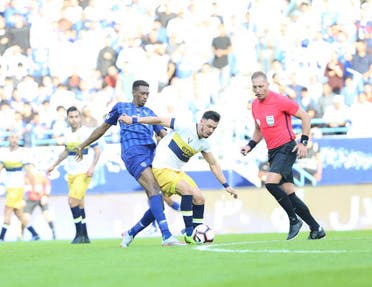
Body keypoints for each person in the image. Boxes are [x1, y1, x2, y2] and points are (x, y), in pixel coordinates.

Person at [74, 80, 184, 247]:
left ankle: (130, 233)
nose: (145, 97)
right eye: (142, 93)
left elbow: (162, 133)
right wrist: (83, 144)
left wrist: (172, 138)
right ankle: (167, 236)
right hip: (133, 152)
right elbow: (102, 129)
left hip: (152, 153)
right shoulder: (121, 107)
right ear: (134, 93)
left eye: (147, 94)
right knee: (154, 189)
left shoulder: (149, 112)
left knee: (157, 201)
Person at [119, 110, 238, 245]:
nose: (211, 131)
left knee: (199, 199)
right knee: (186, 190)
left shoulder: (204, 143)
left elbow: (213, 164)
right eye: (209, 126)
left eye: (214, 128)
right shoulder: (185, 126)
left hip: (176, 172)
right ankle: (189, 234)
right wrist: (133, 120)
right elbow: (159, 120)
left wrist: (226, 186)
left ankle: (130, 233)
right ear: (202, 122)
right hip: (161, 168)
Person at [240, 71, 325, 240]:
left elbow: (305, 117)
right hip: (273, 152)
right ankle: (316, 228)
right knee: (290, 194)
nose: (258, 90)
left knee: (270, 183)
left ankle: (294, 220)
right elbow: (259, 129)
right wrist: (250, 145)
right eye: (255, 87)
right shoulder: (255, 105)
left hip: (287, 147)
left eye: (261, 86)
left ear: (267, 85)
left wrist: (303, 142)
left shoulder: (280, 100)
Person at [47, 106, 101, 244]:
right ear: (67, 118)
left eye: (76, 116)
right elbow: (66, 151)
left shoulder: (87, 132)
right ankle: (85, 236)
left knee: (72, 201)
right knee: (80, 204)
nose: (74, 119)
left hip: (83, 173)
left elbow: (97, 150)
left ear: (80, 117)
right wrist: (54, 164)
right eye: (71, 117)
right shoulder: (66, 133)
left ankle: (78, 234)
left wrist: (92, 167)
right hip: (71, 173)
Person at [0, 132, 40, 241]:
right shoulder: (4, 153)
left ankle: (1, 237)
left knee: (7, 210)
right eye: (12, 137)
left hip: (17, 187)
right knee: (18, 213)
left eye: (16, 137)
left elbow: (29, 172)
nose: (14, 139)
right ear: (8, 139)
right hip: (10, 187)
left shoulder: (22, 153)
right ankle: (35, 234)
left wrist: (34, 187)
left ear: (18, 140)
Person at [23, 169, 56, 240]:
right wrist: (22, 199)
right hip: (30, 199)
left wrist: (46, 196)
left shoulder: (40, 176)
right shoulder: (26, 177)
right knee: (25, 218)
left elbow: (48, 185)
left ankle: (54, 233)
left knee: (47, 215)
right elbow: (22, 188)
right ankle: (23, 235)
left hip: (41, 198)